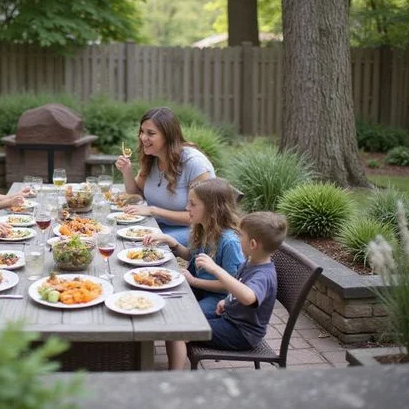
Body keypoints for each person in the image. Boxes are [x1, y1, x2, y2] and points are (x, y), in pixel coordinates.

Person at [167, 211, 287, 370]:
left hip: (241, 333)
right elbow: (239, 287)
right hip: (230, 319)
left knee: (177, 332)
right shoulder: (251, 262)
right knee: (178, 319)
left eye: (241, 236)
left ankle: (172, 378)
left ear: (252, 244)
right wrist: (227, 301)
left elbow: (249, 297)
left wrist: (216, 270)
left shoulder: (263, 275)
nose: (238, 239)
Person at [143, 178, 245, 318]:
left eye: (193, 204)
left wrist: (194, 281)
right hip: (198, 287)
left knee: (183, 315)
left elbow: (229, 285)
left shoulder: (229, 242)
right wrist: (173, 243)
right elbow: (192, 256)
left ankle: (181, 337)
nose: (187, 208)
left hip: (218, 297)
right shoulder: (202, 228)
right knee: (157, 295)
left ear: (212, 209)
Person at [115, 107, 215, 246]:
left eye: (151, 133)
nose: (143, 137)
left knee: (139, 244)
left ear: (168, 136)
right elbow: (136, 194)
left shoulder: (195, 163)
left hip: (192, 230)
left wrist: (154, 211)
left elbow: (203, 216)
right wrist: (127, 171)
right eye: (142, 132)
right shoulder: (152, 157)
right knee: (117, 233)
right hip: (156, 225)